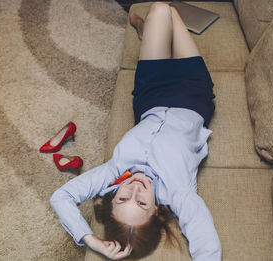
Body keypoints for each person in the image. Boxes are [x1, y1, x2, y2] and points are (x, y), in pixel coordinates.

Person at [50, 2, 221, 260]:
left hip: (151, 93)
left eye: (122, 199)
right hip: (193, 92)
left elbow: (61, 197)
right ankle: (150, 32)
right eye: (141, 203)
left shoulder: (112, 174)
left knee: (160, 8)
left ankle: (147, 30)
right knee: (170, 13)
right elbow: (205, 243)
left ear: (112, 199)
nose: (134, 190)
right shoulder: (178, 193)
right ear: (155, 210)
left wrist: (91, 240)